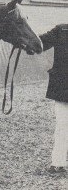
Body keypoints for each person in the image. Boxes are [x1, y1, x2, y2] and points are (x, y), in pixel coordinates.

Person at [39, 24, 68, 174]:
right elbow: (38, 43)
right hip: (63, 89)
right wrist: (20, 38)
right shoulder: (61, 30)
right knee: (62, 126)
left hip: (63, 89)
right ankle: (58, 163)